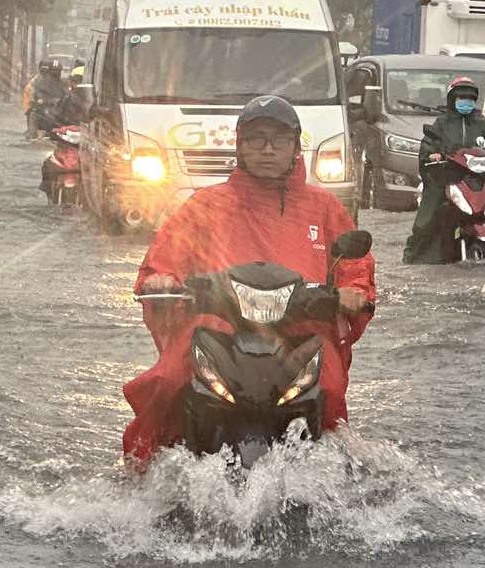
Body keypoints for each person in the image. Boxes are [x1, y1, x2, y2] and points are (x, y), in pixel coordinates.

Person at [122, 94, 376, 462]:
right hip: (218, 324)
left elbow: (355, 264)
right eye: (257, 139)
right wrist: (161, 279)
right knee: (169, 381)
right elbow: (167, 254)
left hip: (302, 329)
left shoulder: (324, 206)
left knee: (331, 388)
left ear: (295, 147)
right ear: (240, 145)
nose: (267, 149)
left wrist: (354, 291)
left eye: (279, 140)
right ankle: (146, 469)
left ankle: (334, 474)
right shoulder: (206, 204)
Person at [402, 74, 485, 264]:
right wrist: (433, 155)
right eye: (461, 98)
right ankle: (415, 257)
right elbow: (428, 146)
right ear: (453, 100)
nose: (466, 102)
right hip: (446, 181)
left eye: (470, 98)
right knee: (428, 219)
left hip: (479, 183)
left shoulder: (482, 124)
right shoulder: (442, 123)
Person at [29, 57, 71, 133]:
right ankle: (32, 135)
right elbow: (36, 97)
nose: (55, 74)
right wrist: (42, 101)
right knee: (32, 115)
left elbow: (68, 96)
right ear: (48, 72)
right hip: (45, 113)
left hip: (60, 115)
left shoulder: (64, 84)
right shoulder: (40, 83)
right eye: (53, 71)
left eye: (57, 71)